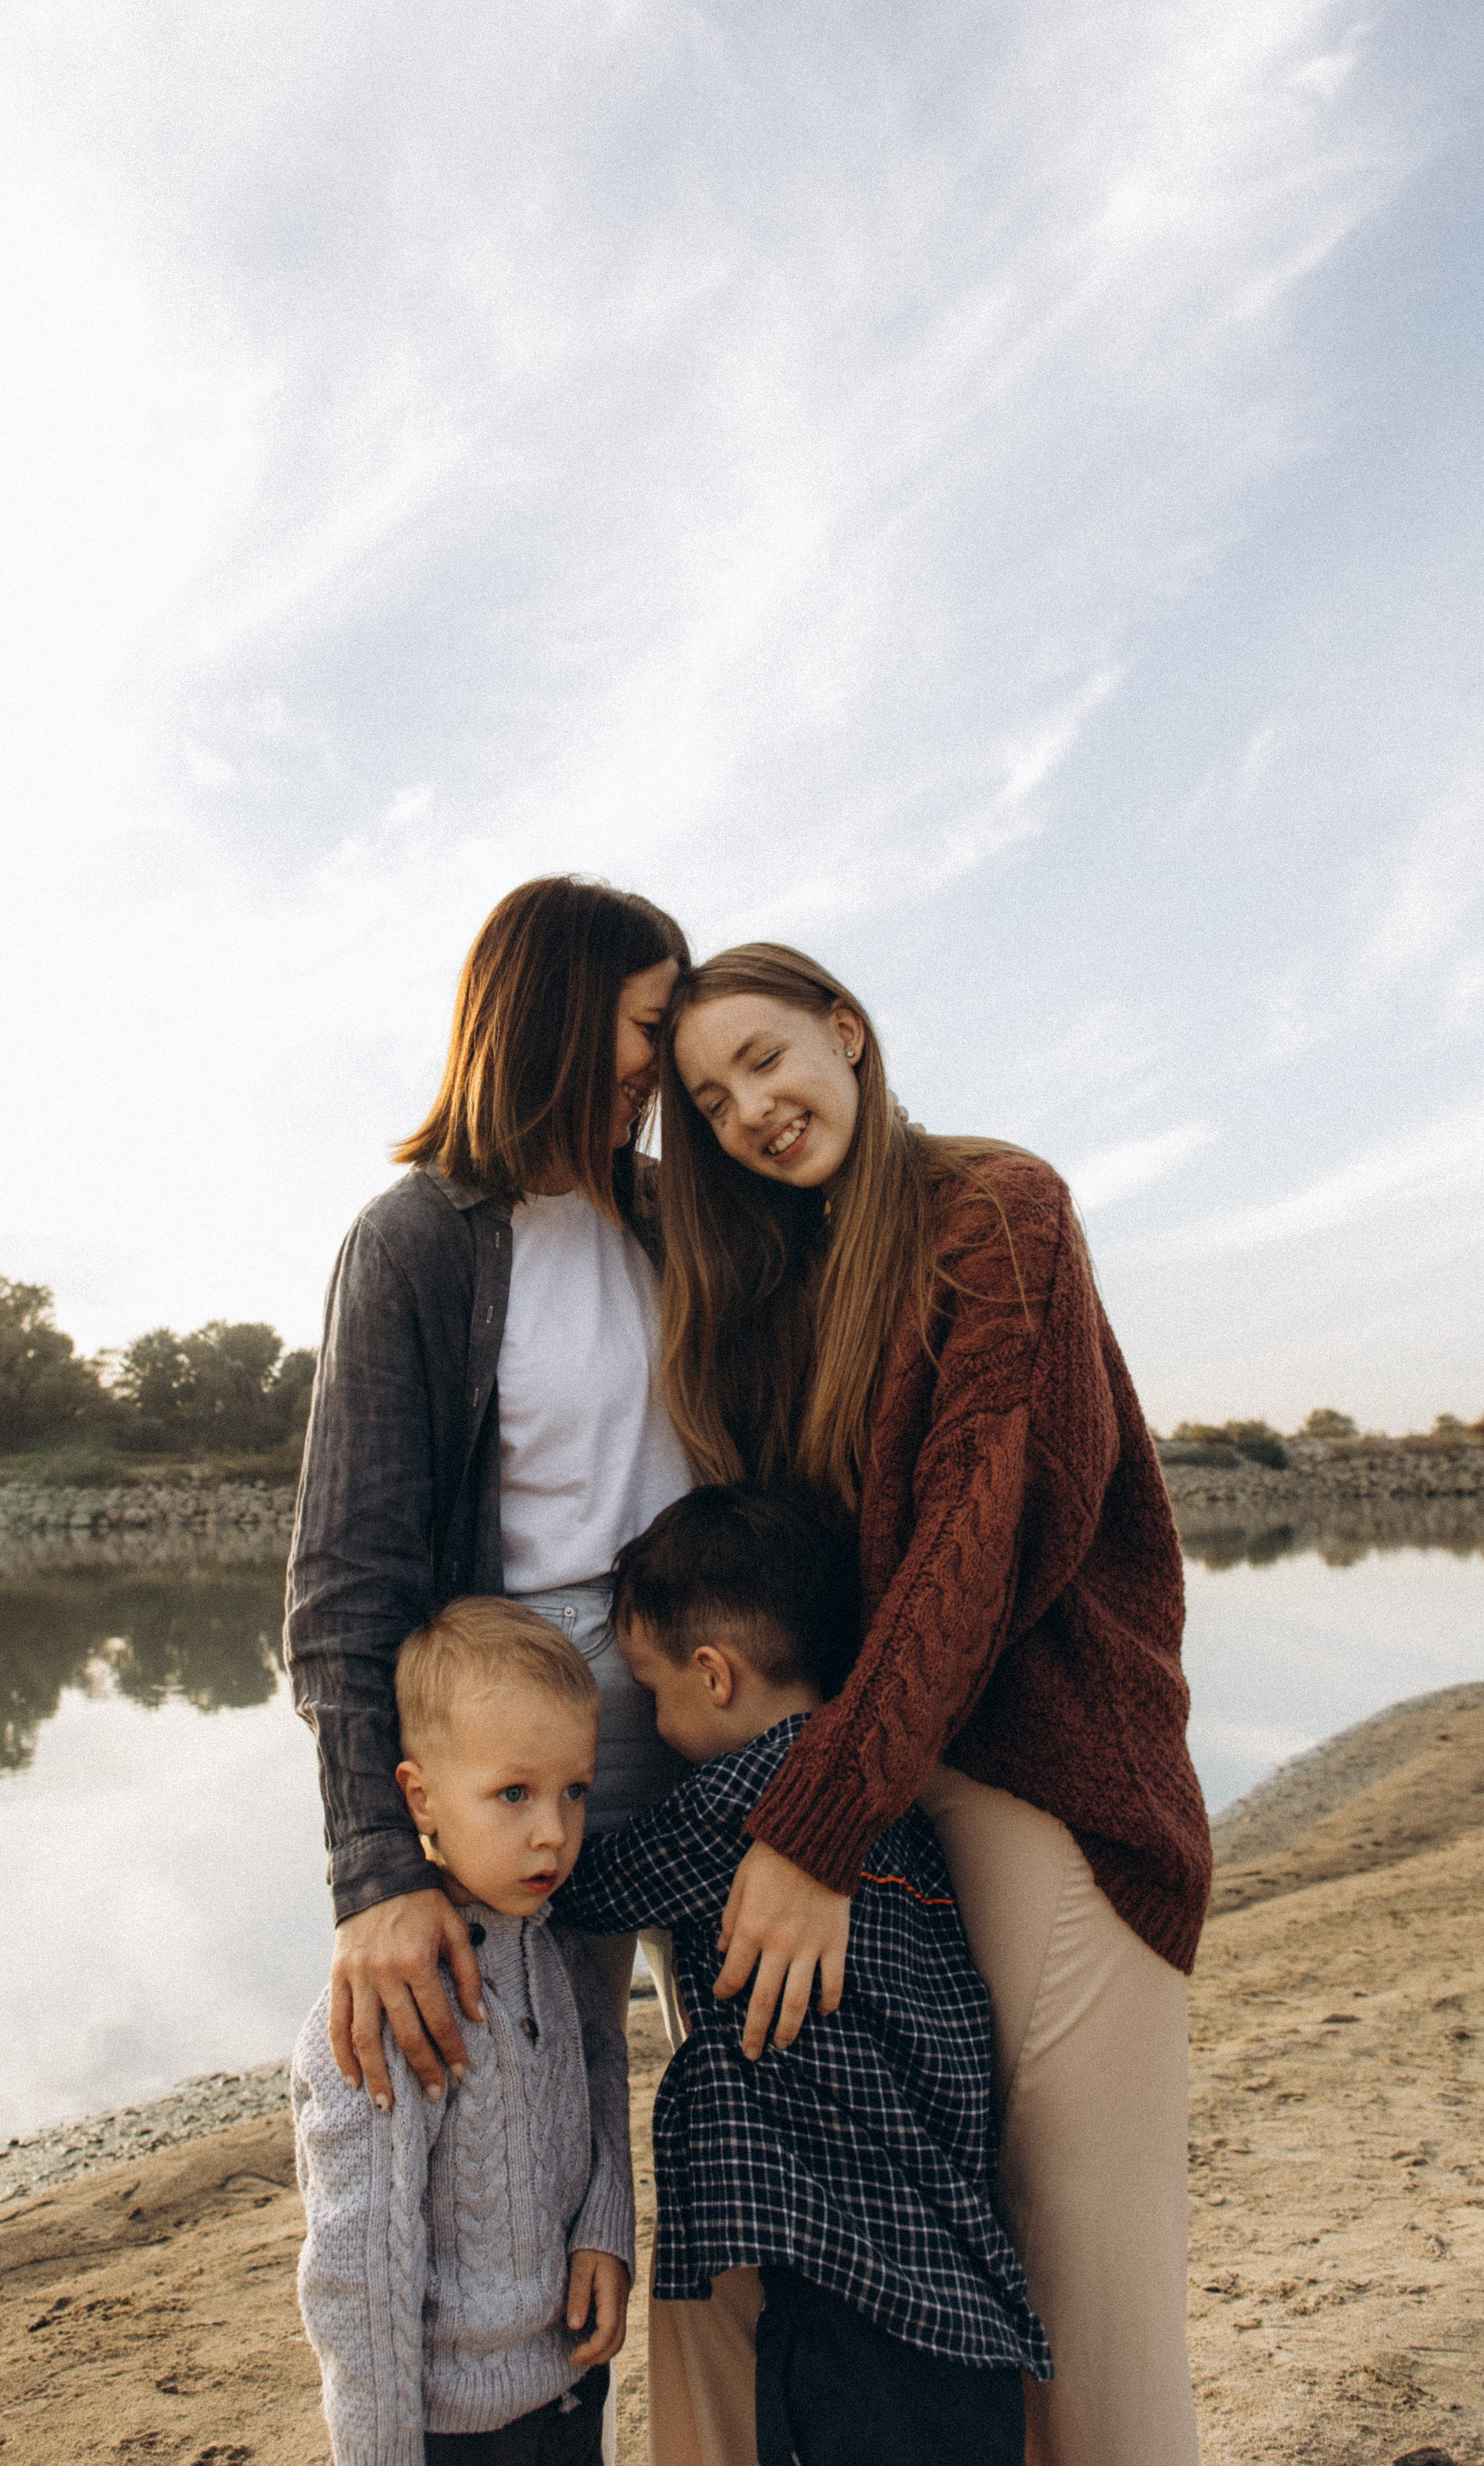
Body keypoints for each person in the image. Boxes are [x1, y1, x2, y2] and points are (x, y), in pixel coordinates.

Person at [655, 943, 1213, 2466]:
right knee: (854, 2238)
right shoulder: (780, 1291)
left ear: (846, 1031)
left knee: (1077, 2270)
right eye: (707, 1099)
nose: (750, 1111)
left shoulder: (993, 1205)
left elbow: (980, 1538)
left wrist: (812, 1829)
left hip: (1046, 1767)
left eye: (766, 1060)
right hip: (877, 1778)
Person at [285, 874, 693, 2112]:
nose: (663, 1069)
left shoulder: (681, 1219)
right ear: (556, 1016)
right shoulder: (416, 1241)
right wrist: (374, 1872)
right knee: (535, 2131)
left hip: (716, 1708)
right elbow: (345, 1583)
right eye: (647, 1029)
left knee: (760, 2096)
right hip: (526, 1745)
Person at [554, 1486, 1049, 2466]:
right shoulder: (889, 1809)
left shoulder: (743, 1797)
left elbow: (588, 1891)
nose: (650, 1726)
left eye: (653, 1693)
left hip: (848, 2288)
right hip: (956, 2291)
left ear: (716, 1675)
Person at [292, 1600, 634, 2466]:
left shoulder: (553, 1943)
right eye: (512, 1793)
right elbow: (357, 2273)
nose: (552, 1831)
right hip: (453, 2433)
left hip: (569, 2392)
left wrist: (604, 2226)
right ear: (422, 1799)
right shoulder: (394, 2004)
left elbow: (599, 2065)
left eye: (574, 1791)